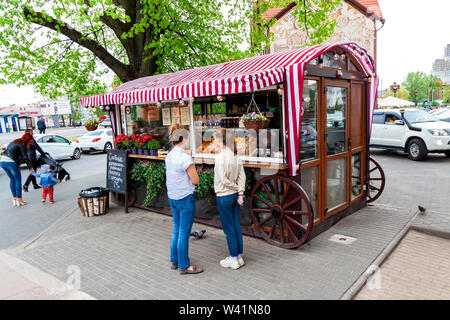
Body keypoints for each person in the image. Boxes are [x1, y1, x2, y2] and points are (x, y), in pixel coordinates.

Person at [165, 123, 202, 275]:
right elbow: (196, 180)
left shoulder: (169, 155)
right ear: (184, 139)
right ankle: (184, 266)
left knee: (177, 230)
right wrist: (190, 158)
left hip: (173, 197)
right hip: (185, 199)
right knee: (184, 233)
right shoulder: (184, 158)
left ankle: (174, 261)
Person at [213, 128, 246, 270]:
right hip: (234, 196)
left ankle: (233, 258)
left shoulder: (220, 157)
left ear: (221, 140)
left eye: (215, 138)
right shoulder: (235, 155)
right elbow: (242, 176)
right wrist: (240, 191)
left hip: (224, 195)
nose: (214, 141)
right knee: (236, 225)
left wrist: (233, 188)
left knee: (229, 228)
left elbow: (223, 180)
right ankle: (239, 256)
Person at [1, 133, 35, 207]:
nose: (31, 142)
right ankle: (19, 198)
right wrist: (30, 168)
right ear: (28, 140)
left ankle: (14, 198)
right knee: (17, 180)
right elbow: (25, 157)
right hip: (10, 162)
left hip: (2, 161)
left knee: (12, 180)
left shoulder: (15, 141)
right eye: (31, 140)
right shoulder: (22, 144)